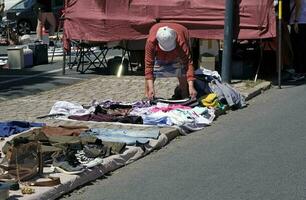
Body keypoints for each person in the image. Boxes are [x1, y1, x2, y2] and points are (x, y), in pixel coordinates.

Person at [144, 23, 197, 100]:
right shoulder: (151, 41)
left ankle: (185, 94)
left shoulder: (181, 41)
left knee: (182, 70)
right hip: (159, 54)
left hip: (177, 53)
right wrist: (151, 88)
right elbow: (148, 65)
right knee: (151, 74)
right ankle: (148, 94)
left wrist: (191, 87)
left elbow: (188, 64)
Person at [290, 0, 306, 74]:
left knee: (298, 47)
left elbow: (298, 3)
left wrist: (296, 21)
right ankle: (301, 71)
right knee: (301, 47)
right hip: (302, 20)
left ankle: (299, 71)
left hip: (299, 21)